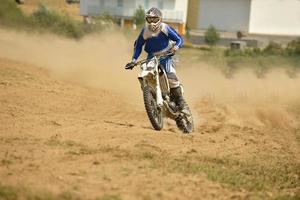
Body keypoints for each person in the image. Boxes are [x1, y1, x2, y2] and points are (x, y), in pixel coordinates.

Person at [125, 7, 188, 112]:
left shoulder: (165, 28)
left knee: (170, 74)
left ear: (160, 19)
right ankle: (152, 96)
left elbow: (179, 39)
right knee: (146, 73)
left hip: (167, 54)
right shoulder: (145, 30)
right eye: (149, 19)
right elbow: (138, 45)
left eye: (154, 19)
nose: (151, 22)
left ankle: (180, 101)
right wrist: (133, 60)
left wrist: (176, 47)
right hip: (152, 57)